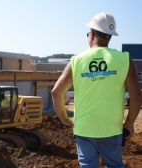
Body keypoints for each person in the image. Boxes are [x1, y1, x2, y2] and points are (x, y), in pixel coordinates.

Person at [51, 12, 142, 168]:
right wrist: (129, 123)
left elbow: (56, 92)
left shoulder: (77, 61)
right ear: (110, 36)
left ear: (91, 34)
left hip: (84, 130)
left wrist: (64, 118)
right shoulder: (124, 59)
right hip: (112, 129)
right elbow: (136, 94)